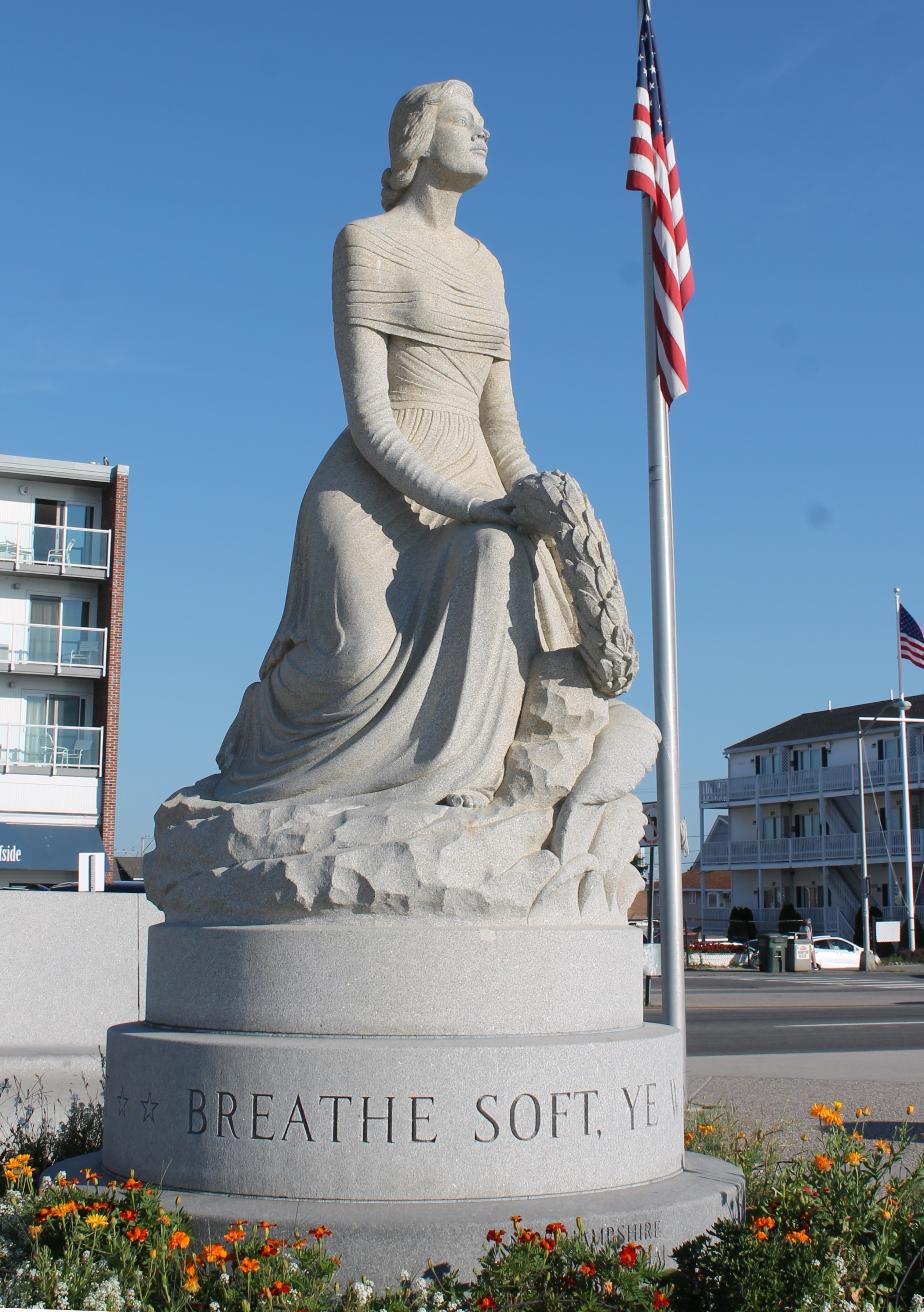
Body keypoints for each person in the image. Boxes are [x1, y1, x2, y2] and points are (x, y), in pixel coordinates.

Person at [213, 80, 577, 807]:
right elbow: (370, 417)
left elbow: (501, 424)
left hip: (473, 472)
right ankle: (267, 743)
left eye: (483, 120)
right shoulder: (366, 243)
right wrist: (468, 500)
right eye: (465, 119)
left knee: (498, 557)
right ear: (417, 135)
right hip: (374, 482)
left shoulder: (488, 266)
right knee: (353, 661)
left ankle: (456, 773)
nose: (484, 131)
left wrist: (534, 498)